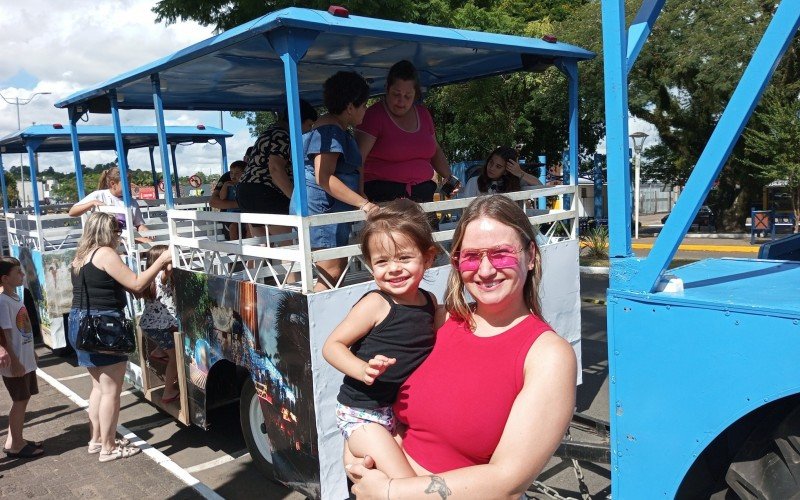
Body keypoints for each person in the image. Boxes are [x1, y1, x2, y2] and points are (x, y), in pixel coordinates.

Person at [347, 195, 576, 499]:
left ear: (531, 255)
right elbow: (370, 401)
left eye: (501, 253)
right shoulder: (438, 322)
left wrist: (392, 491)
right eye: (470, 257)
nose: (485, 270)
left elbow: (507, 482)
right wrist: (354, 452)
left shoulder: (548, 355)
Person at [322, 199, 440, 478]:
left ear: (428, 258)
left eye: (404, 257)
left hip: (397, 412)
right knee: (406, 481)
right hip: (362, 414)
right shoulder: (376, 303)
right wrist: (362, 369)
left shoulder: (429, 302)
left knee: (400, 475)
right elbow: (332, 346)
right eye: (382, 261)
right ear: (370, 266)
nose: (393, 268)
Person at [68, 212, 172, 462]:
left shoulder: (80, 256)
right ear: (105, 232)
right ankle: (109, 447)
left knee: (98, 387)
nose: (119, 236)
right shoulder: (105, 254)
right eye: (116, 232)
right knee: (111, 391)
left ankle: (96, 440)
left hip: (80, 323)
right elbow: (136, 284)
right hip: (103, 326)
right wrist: (160, 262)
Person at [289, 71, 377, 291]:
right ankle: (316, 322)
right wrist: (364, 204)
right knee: (332, 271)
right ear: (350, 107)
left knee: (333, 270)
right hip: (322, 212)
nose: (365, 110)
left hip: (323, 211)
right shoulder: (330, 132)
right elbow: (324, 177)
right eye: (364, 105)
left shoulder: (330, 128)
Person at [356, 60, 459, 203]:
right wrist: (360, 195)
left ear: (415, 94)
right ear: (386, 89)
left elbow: (435, 150)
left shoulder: (423, 114)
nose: (401, 101)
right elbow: (357, 159)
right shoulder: (373, 115)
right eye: (396, 94)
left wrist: (450, 178)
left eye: (408, 96)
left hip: (423, 195)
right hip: (383, 198)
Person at [238, 99, 318, 241]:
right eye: (309, 125)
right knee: (288, 242)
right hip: (265, 193)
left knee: (259, 245)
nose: (309, 130)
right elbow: (276, 169)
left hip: (246, 191)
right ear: (298, 121)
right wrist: (296, 201)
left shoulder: (268, 132)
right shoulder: (282, 136)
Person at [0, 257, 42, 459]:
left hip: (24, 358)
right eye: (18, 272)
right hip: (15, 363)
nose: (22, 275)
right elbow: (6, 335)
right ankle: (16, 443)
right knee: (20, 400)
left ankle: (14, 439)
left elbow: (23, 329)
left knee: (24, 399)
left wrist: (31, 351)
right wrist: (15, 361)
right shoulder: (2, 301)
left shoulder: (15, 298)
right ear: (5, 278)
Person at [138, 245, 180, 404]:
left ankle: (158, 351)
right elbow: (169, 268)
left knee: (175, 330)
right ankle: (168, 392)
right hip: (159, 326)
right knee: (175, 356)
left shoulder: (148, 279)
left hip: (152, 325)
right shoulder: (162, 277)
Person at [69, 166, 150, 241]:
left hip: (126, 238)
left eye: (129, 184)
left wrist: (145, 230)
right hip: (105, 238)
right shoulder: (99, 195)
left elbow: (139, 224)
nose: (129, 186)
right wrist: (91, 203)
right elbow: (72, 212)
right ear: (113, 183)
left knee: (149, 243)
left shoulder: (131, 201)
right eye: (126, 184)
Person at [461, 146, 543, 199]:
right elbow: (466, 210)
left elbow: (540, 187)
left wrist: (519, 172)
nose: (491, 168)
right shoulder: (474, 181)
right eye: (491, 162)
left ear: (506, 171)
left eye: (498, 166)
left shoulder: (514, 182)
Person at [219, 161, 245, 240]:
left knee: (249, 226)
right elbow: (222, 197)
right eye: (231, 173)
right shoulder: (229, 185)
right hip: (232, 215)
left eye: (237, 173)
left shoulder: (245, 185)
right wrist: (225, 186)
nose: (233, 176)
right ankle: (234, 247)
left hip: (244, 213)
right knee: (233, 227)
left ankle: (249, 246)